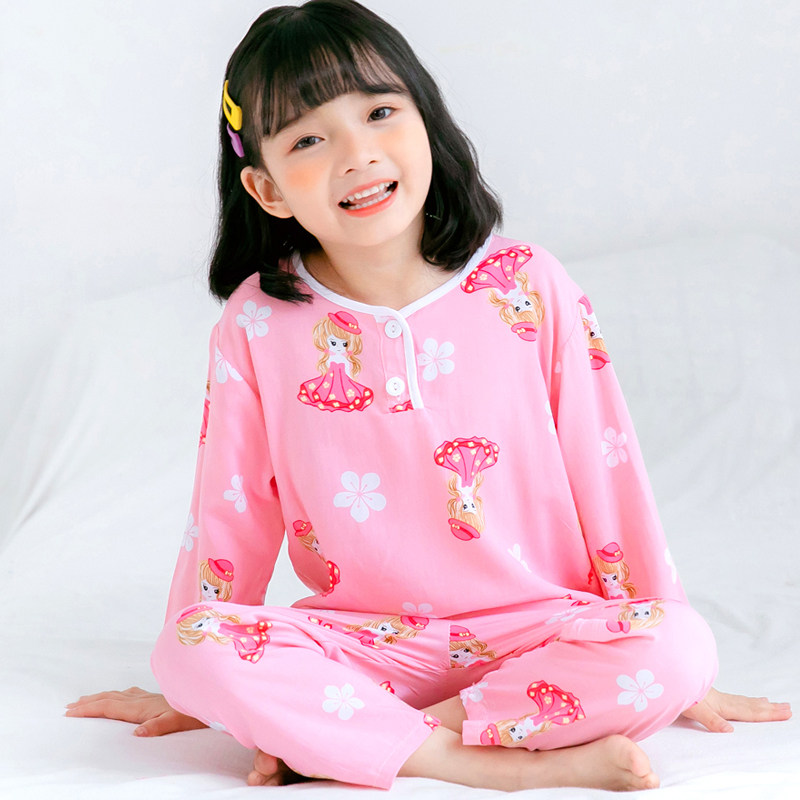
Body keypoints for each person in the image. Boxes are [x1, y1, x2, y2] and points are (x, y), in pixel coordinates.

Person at [65, 0, 791, 792]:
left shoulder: (526, 285)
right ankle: (482, 764)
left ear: (426, 123)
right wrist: (196, 684)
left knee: (678, 646)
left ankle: (362, 737)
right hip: (365, 645)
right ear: (266, 189)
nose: (358, 154)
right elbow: (229, 509)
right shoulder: (258, 322)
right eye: (308, 139)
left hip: (542, 632)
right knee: (192, 646)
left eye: (380, 113)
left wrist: (676, 656)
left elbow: (609, 473)